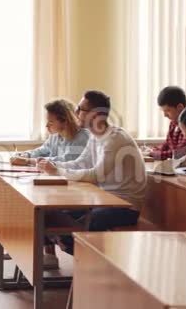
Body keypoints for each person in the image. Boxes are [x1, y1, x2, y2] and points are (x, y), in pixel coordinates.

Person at [38, 90, 147, 255]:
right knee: (51, 213)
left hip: (125, 206)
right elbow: (80, 162)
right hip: (104, 199)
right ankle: (68, 247)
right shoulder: (95, 136)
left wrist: (57, 170)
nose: (76, 113)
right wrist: (52, 166)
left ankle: (95, 269)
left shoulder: (115, 139)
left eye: (81, 109)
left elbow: (96, 175)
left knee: (75, 233)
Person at [11, 99, 90, 269]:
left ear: (64, 120)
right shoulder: (55, 136)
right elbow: (41, 151)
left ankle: (63, 246)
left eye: (51, 122)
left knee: (41, 211)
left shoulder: (82, 136)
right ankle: (49, 253)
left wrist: (30, 162)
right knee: (34, 206)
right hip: (57, 187)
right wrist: (24, 155)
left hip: (76, 191)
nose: (47, 126)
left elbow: (67, 160)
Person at [146, 86, 186, 160]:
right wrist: (154, 150)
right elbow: (167, 144)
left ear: (180, 107)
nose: (165, 115)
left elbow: (179, 153)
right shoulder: (173, 123)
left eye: (168, 111)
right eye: (163, 111)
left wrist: (153, 154)